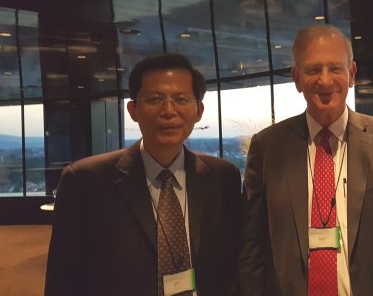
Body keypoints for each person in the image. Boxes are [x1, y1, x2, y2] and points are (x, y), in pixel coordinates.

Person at [239, 24, 373, 296]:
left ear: (351, 73)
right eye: (312, 70)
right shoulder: (267, 147)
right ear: (296, 79)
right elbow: (252, 248)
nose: (325, 80)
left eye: (335, 68)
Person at [45, 54, 242, 296]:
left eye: (181, 99)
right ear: (133, 109)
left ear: (198, 110)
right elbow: (63, 279)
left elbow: (234, 266)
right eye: (154, 99)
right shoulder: (85, 181)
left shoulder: (223, 177)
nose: (169, 111)